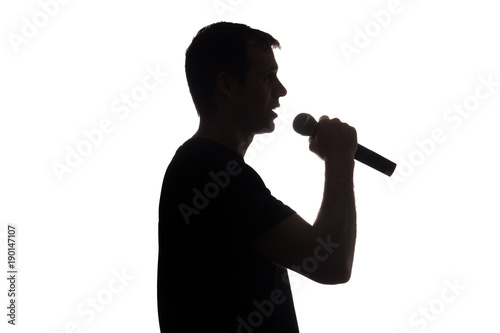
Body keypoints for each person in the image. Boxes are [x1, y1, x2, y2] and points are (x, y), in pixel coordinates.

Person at [157, 21, 358, 332]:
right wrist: (340, 160)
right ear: (227, 86)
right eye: (267, 78)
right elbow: (331, 262)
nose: (280, 91)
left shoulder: (206, 166)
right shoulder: (212, 171)